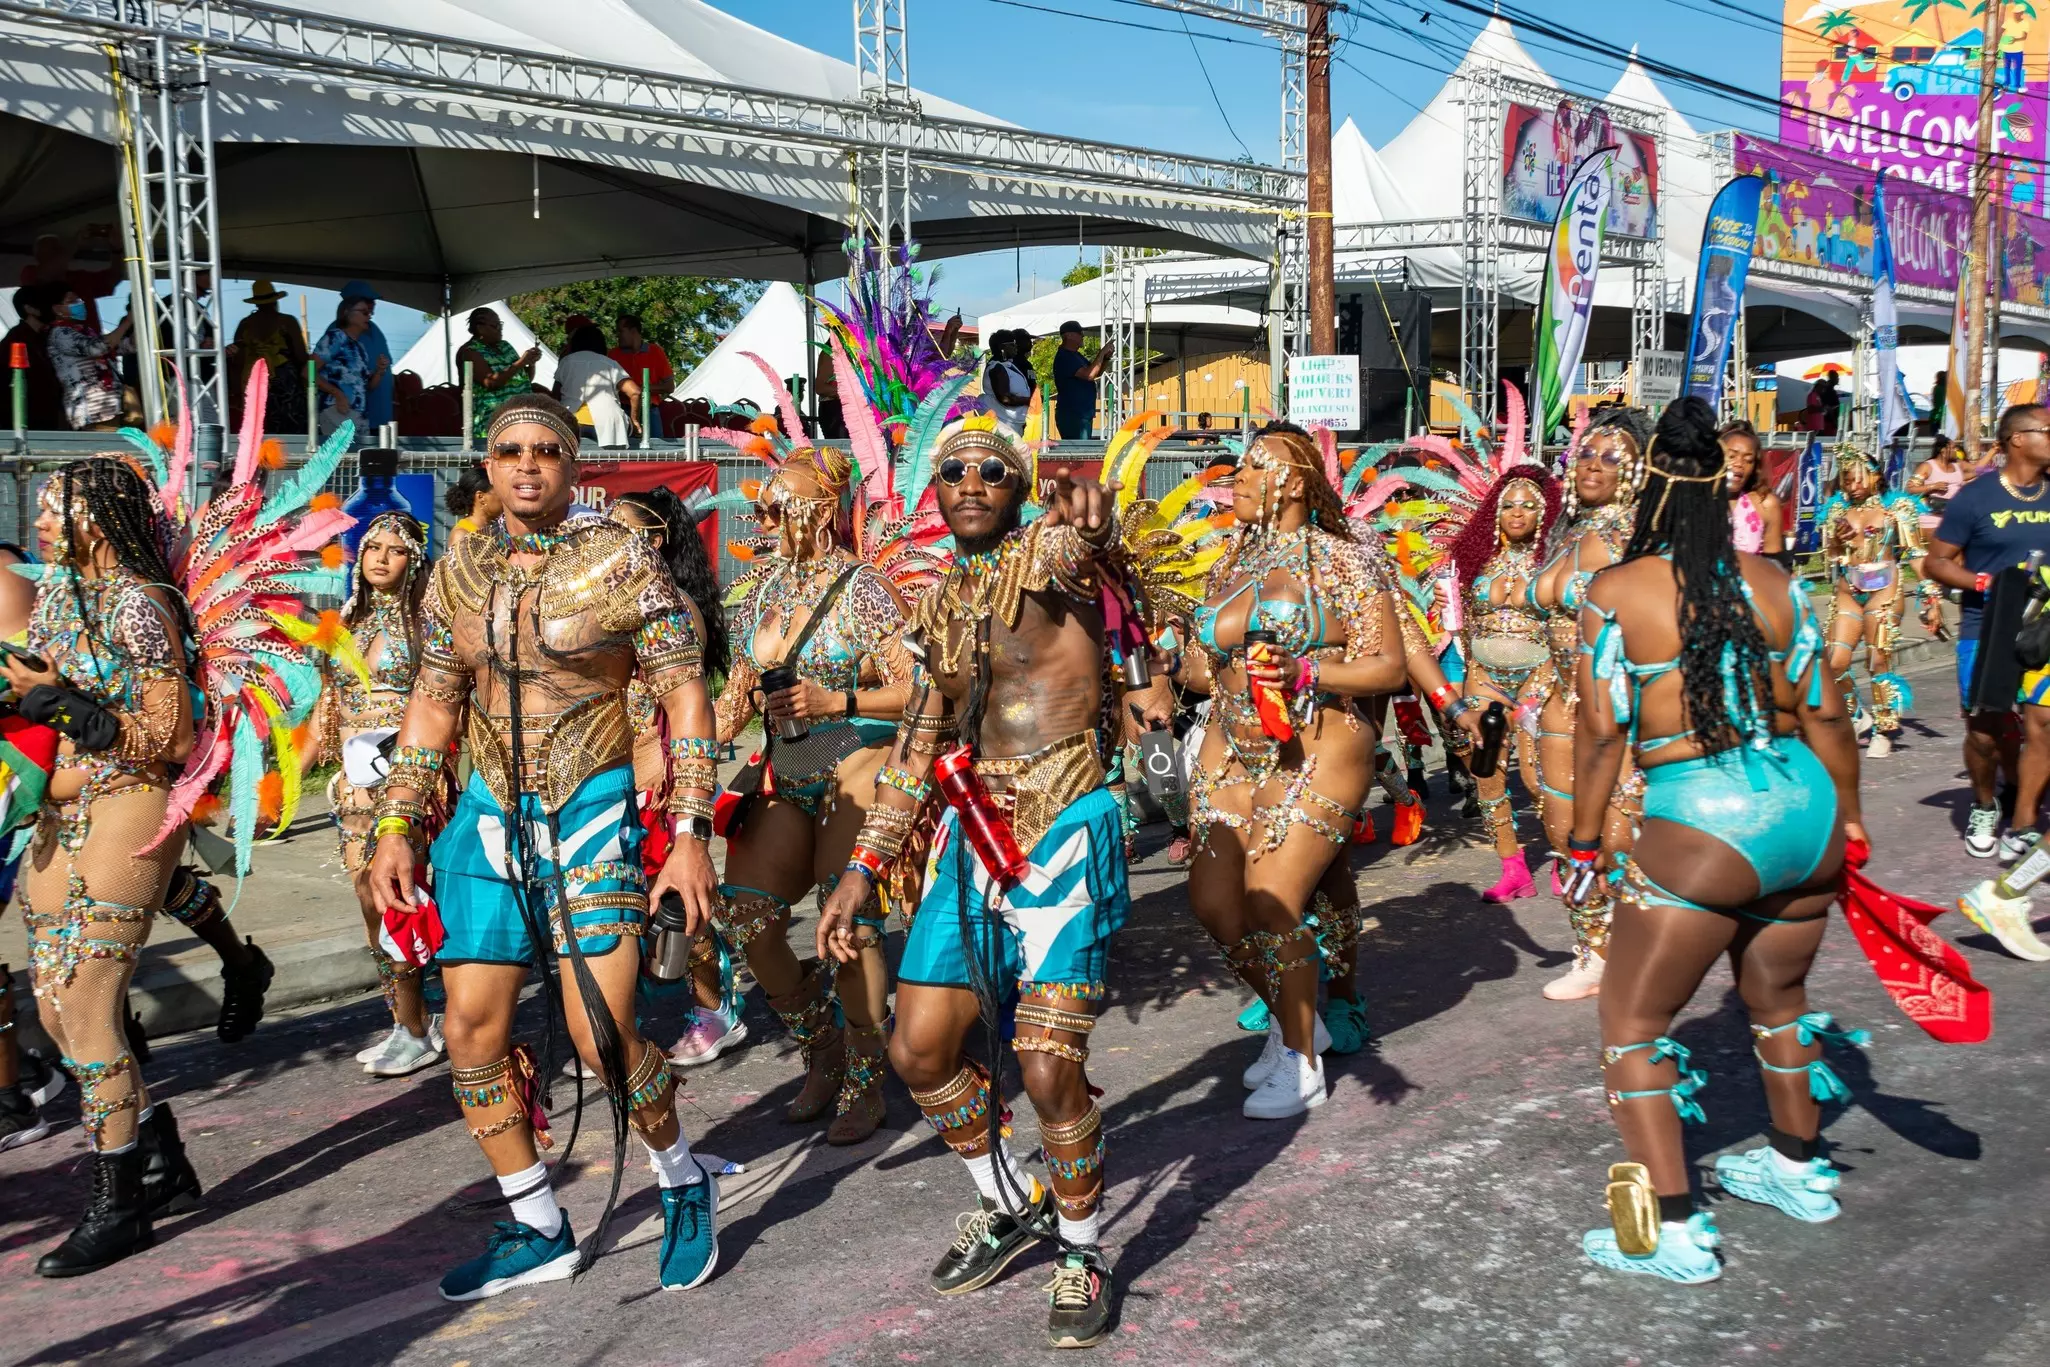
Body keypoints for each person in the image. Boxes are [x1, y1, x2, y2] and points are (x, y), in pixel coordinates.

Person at [367, 394, 724, 1301]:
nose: (527, 465)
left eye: (547, 451)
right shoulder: (457, 569)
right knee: (469, 1032)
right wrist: (398, 820)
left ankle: (680, 1176)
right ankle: (536, 1222)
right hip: (487, 809)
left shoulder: (625, 559)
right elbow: (436, 697)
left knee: (599, 1035)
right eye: (510, 450)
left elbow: (685, 694)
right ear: (487, 465)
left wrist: (687, 834)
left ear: (574, 464)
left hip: (593, 800)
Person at [815, 418, 1134, 1348]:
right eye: (953, 469)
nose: (970, 480)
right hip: (972, 834)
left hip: (1065, 828)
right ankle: (1014, 1198)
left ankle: (1083, 1251)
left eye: (994, 470)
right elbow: (918, 743)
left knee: (1045, 1064)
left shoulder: (1050, 548)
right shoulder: (942, 601)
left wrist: (1096, 517)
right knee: (916, 1049)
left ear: (1020, 487)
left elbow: (1092, 547)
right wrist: (863, 871)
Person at [1569, 396, 1866, 1285]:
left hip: (1702, 821)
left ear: (1649, 483)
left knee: (1632, 1021)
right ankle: (1799, 1169)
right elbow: (1826, 709)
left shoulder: (1616, 591)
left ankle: (1676, 1229)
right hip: (1803, 809)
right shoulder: (1776, 581)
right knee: (1777, 998)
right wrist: (1850, 817)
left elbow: (1599, 730)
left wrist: (1583, 841)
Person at [0, 458, 204, 1276]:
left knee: (87, 1001)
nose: (43, 524)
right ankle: (158, 1160)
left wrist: (71, 709)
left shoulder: (140, 603)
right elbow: (36, 689)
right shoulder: (54, 595)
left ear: (96, 518)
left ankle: (118, 1203)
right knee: (52, 1005)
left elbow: (175, 738)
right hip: (62, 803)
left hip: (131, 797)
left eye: (56, 511)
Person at [1173, 421, 1407, 1118]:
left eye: (1254, 467)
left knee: (1271, 898)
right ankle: (1292, 1015)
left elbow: (1389, 665)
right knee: (1215, 904)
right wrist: (1177, 657)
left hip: (1320, 740)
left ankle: (1303, 1059)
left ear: (1298, 484)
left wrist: (1308, 667)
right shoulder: (1229, 562)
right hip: (1232, 744)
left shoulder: (1344, 560)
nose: (1236, 477)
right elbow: (1203, 666)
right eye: (1237, 467)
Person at [708, 445, 913, 1143]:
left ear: (823, 511)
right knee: (747, 919)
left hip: (852, 756)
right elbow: (735, 697)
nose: (763, 520)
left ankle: (866, 1076)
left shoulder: (864, 587)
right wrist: (672, 740)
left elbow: (918, 687)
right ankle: (821, 1045)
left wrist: (839, 696)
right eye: (760, 508)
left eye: (777, 506)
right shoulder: (762, 592)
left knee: (846, 925)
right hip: (785, 764)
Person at [303, 512, 446, 1077]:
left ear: (415, 561)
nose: (381, 558)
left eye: (396, 550)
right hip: (354, 792)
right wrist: (281, 789)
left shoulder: (428, 623)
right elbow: (322, 716)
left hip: (410, 784)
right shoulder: (343, 629)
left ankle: (427, 1023)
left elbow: (445, 704)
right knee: (371, 906)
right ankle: (409, 1023)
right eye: (372, 547)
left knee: (400, 901)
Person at [607, 490, 737, 1065]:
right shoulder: (609, 599)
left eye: (622, 530)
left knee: (681, 903)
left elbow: (686, 703)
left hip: (661, 778)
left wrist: (662, 764)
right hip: (614, 775)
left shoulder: (675, 606)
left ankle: (715, 1010)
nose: (606, 541)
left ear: (655, 542)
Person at [1527, 407, 1651, 1001]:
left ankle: (1636, 947)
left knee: (1619, 833)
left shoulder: (1638, 537)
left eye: (1610, 457)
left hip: (1616, 702)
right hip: (1556, 699)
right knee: (1563, 831)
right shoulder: (1566, 533)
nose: (1592, 466)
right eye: (1585, 454)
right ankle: (1592, 950)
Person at [1924, 404, 2050, 877]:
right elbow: (1935, 562)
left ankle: (2023, 820)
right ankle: (1984, 802)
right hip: (1988, 626)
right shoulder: (1975, 499)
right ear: (2018, 439)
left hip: (2045, 629)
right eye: (2047, 430)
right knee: (1985, 729)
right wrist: (1985, 584)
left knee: (2042, 723)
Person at [1448, 464, 1562, 903]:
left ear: (1543, 512)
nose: (1517, 513)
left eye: (1528, 506)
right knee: (1488, 776)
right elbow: (1471, 628)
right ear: (1495, 513)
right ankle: (1513, 868)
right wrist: (1470, 684)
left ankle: (1564, 856)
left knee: (1537, 778)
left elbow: (1564, 630)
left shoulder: (1554, 561)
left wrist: (1542, 683)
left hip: (1539, 679)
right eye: (1509, 505)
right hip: (1485, 678)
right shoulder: (1478, 561)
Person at [1817, 453, 1927, 759]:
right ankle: (1855, 716)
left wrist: (1928, 588)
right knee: (1835, 662)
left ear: (1876, 476)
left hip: (1884, 590)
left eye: (1858, 479)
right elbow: (1833, 555)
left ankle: (1884, 728)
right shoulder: (1837, 511)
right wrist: (1838, 539)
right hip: (1849, 590)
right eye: (1846, 480)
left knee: (1878, 660)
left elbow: (1915, 552)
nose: (1852, 486)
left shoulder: (1896, 509)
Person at [229, 282, 309, 435]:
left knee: (260, 427)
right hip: (285, 383)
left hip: (254, 380)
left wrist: (237, 392)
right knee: (291, 429)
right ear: (275, 301)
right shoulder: (287, 322)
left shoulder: (245, 325)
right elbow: (300, 356)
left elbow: (237, 362)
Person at [45, 288, 129, 431]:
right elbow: (97, 348)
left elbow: (120, 347)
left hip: (108, 404)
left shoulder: (85, 331)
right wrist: (128, 321)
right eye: (72, 301)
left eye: (79, 300)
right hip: (93, 408)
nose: (79, 304)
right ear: (57, 309)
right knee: (107, 450)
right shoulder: (60, 334)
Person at [455, 308, 541, 443]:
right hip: (492, 421)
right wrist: (521, 362)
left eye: (500, 324)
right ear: (480, 329)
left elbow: (525, 379)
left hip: (520, 417)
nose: (500, 329)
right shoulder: (470, 351)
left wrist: (531, 363)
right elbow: (491, 382)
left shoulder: (505, 346)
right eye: (495, 326)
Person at [554, 325, 639, 449]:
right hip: (609, 424)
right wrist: (635, 421)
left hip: (572, 422)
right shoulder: (610, 363)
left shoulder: (566, 362)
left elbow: (554, 396)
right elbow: (635, 392)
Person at [313, 298, 384, 445]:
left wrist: (380, 371)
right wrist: (337, 394)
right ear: (347, 313)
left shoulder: (360, 347)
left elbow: (368, 387)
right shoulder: (335, 338)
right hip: (337, 413)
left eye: (370, 312)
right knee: (341, 462)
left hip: (359, 416)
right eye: (364, 312)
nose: (369, 316)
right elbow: (308, 373)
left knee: (359, 463)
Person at [17, 228, 119, 331]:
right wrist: (75, 243)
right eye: (53, 249)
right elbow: (49, 270)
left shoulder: (80, 277)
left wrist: (117, 249)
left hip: (92, 341)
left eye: (59, 249)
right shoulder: (30, 273)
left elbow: (113, 278)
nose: (60, 253)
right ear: (38, 256)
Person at [2, 284, 68, 430]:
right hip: (26, 426)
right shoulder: (15, 341)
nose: (52, 308)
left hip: (49, 421)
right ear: (29, 309)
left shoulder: (49, 337)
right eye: (45, 303)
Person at [1721, 422, 1785, 564]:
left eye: (1748, 460)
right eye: (1731, 456)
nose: (1739, 463)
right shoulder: (1696, 501)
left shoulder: (1765, 504)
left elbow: (1776, 564)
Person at [339, 282, 396, 437]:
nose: (373, 304)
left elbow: (385, 368)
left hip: (382, 415)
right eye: (368, 300)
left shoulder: (374, 329)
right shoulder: (337, 334)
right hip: (353, 417)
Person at [609, 314, 673, 435]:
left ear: (633, 331)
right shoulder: (612, 355)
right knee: (621, 452)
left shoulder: (656, 351)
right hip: (621, 410)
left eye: (620, 331)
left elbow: (670, 386)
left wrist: (640, 389)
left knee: (657, 450)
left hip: (650, 411)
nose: (617, 335)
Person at [1051, 321, 1110, 441]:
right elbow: (1089, 375)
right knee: (1079, 452)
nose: (1083, 336)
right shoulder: (1065, 357)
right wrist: (1101, 352)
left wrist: (1106, 358)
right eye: (1080, 333)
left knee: (1082, 449)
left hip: (1082, 414)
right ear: (1069, 335)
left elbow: (1096, 372)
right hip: (1073, 414)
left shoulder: (1076, 356)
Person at [1908, 434, 1968, 529]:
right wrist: (1933, 486)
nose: (1956, 450)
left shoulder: (1957, 466)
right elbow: (1911, 489)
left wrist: (1993, 451)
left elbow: (1978, 468)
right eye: (1953, 448)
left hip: (1954, 519)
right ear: (1943, 451)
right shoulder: (1927, 466)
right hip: (1932, 520)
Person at [982, 331, 1034, 431]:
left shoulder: (1007, 365)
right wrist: (1030, 400)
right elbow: (1005, 398)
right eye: (1013, 344)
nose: (1016, 347)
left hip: (1015, 422)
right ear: (1002, 347)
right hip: (1004, 423)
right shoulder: (997, 368)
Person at [445, 460, 501, 543]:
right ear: (481, 497)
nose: (504, 497)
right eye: (499, 493)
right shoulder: (462, 535)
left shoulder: (496, 528)